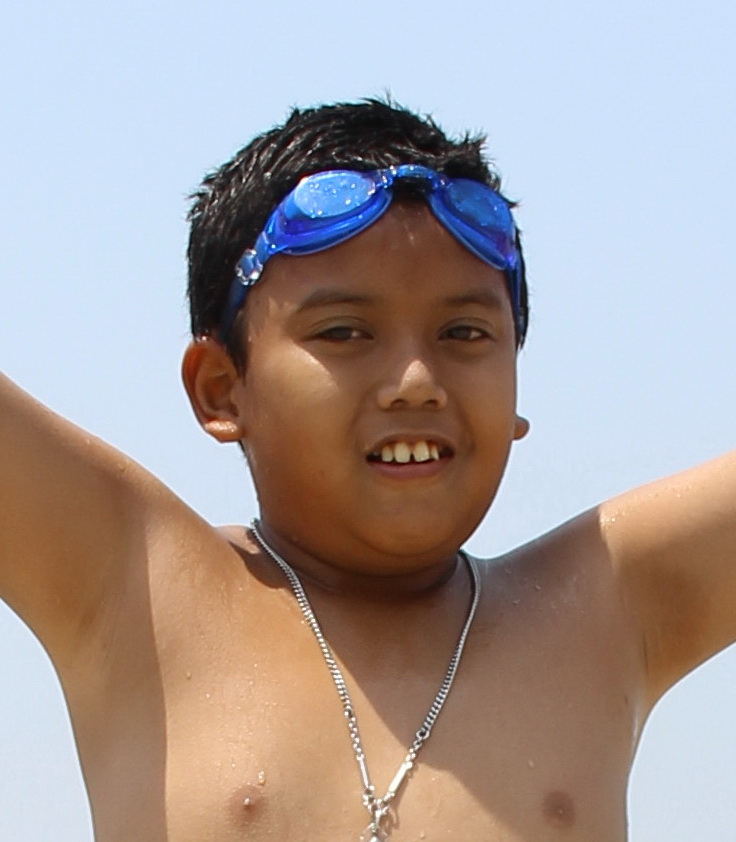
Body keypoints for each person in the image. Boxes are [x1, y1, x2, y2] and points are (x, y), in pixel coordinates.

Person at [1, 98, 734, 842]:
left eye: (464, 332)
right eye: (345, 332)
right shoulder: (137, 588)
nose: (416, 380)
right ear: (221, 388)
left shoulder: (602, 608)